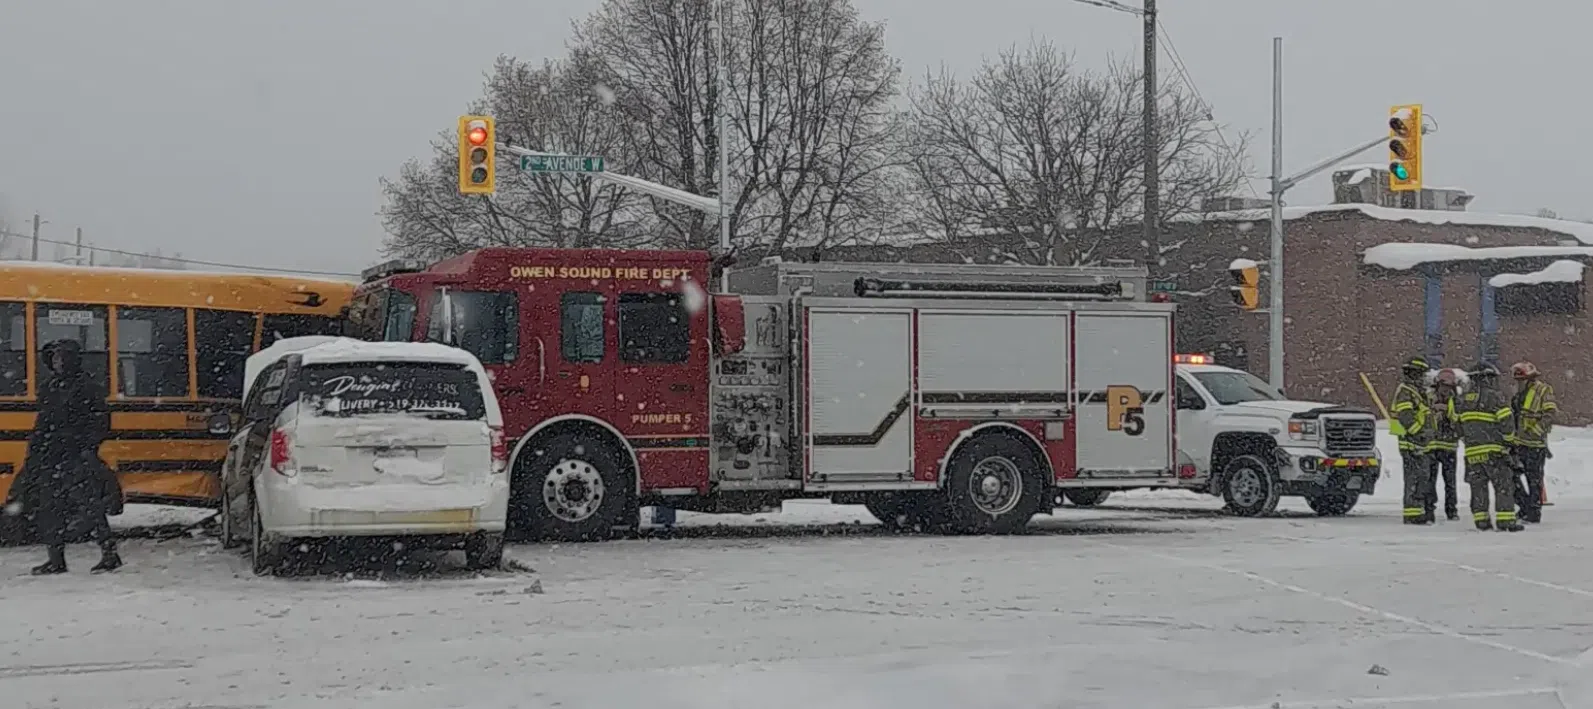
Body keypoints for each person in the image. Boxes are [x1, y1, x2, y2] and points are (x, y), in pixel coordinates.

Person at [11, 340, 122, 574]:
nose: (57, 362)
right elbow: (42, 424)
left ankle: (109, 554)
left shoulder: (88, 387)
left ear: (72, 359)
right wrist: (34, 454)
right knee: (50, 508)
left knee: (89, 506)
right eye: (54, 358)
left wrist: (87, 447)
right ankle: (56, 559)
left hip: (76, 455)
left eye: (61, 357)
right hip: (51, 456)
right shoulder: (49, 387)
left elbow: (101, 421)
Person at [1449, 362, 1522, 532]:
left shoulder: (1461, 400)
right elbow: (1507, 422)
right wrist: (1509, 441)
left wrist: (1469, 439)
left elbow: (1456, 426)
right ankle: (1505, 521)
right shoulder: (1495, 397)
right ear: (1487, 378)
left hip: (1472, 453)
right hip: (1494, 451)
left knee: (1478, 488)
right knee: (1503, 486)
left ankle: (1481, 521)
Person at [1508, 361, 1555, 524]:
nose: (1519, 383)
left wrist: (1536, 431)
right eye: (1517, 380)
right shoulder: (1518, 395)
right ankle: (1525, 506)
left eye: (1521, 380)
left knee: (1533, 479)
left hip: (1535, 444)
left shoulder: (1543, 390)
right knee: (1510, 476)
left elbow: (1550, 414)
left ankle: (1533, 512)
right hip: (1518, 443)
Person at [1390, 357, 1435, 525]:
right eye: (1422, 375)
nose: (1423, 378)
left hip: (1418, 443)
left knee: (1421, 479)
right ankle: (1412, 515)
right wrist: (1419, 433)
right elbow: (1406, 416)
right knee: (1414, 479)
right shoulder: (1406, 391)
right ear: (1414, 374)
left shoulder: (1415, 391)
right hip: (1411, 443)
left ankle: (1417, 512)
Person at [1425, 368, 1461, 522]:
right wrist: (1434, 412)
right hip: (1432, 446)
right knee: (1430, 481)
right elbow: (1423, 416)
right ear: (1437, 385)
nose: (1446, 390)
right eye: (1443, 387)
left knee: (1450, 482)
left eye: (1449, 387)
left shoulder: (1456, 401)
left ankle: (1452, 510)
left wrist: (1448, 415)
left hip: (1449, 446)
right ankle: (1429, 510)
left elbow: (1460, 419)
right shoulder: (1428, 398)